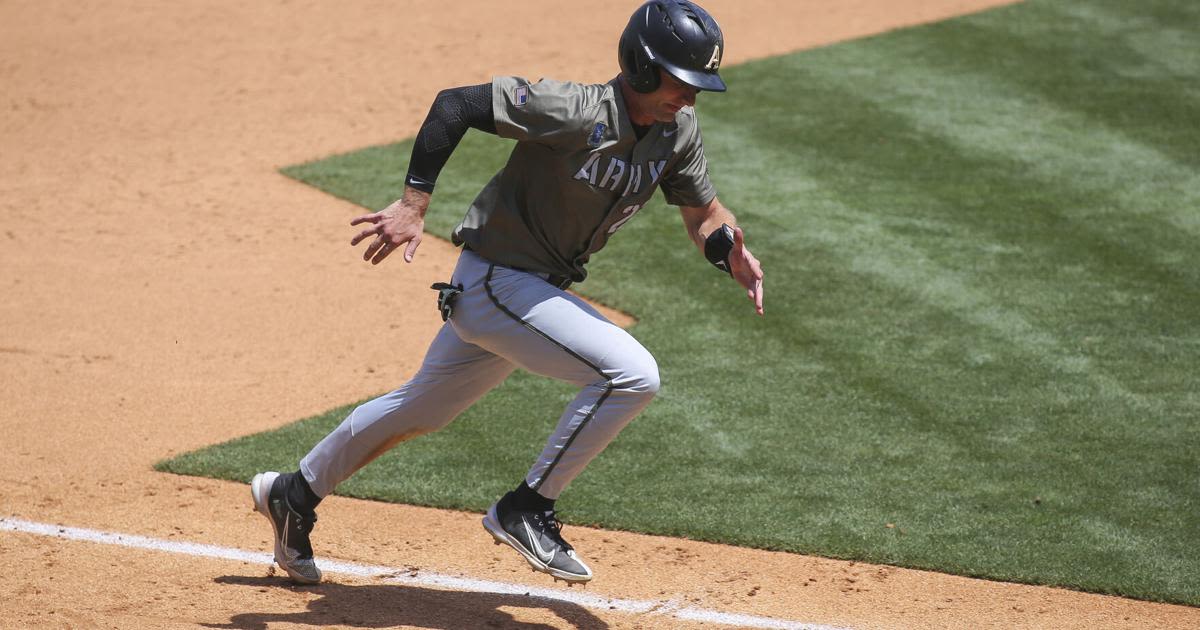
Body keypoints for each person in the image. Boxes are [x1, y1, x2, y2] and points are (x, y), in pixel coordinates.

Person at [251, 0, 763, 586]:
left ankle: (294, 494)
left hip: (524, 295)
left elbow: (702, 213)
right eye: (682, 82)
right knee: (632, 375)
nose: (691, 98)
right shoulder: (574, 110)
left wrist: (727, 250)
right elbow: (457, 104)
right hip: (496, 281)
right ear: (643, 68)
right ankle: (527, 508)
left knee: (424, 407)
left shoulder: (676, 133)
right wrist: (414, 202)